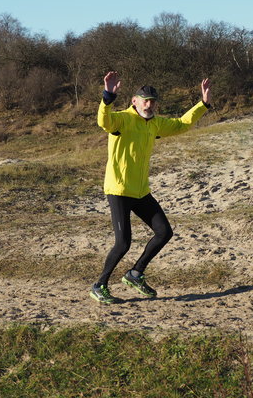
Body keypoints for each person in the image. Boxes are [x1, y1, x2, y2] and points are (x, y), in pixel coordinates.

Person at [90, 71, 212, 304]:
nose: (149, 104)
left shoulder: (154, 124)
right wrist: (107, 97)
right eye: (145, 100)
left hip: (140, 190)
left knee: (164, 232)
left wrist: (203, 104)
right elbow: (103, 122)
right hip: (118, 189)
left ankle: (135, 274)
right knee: (123, 243)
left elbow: (181, 124)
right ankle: (99, 285)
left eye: (153, 101)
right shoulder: (122, 120)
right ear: (134, 101)